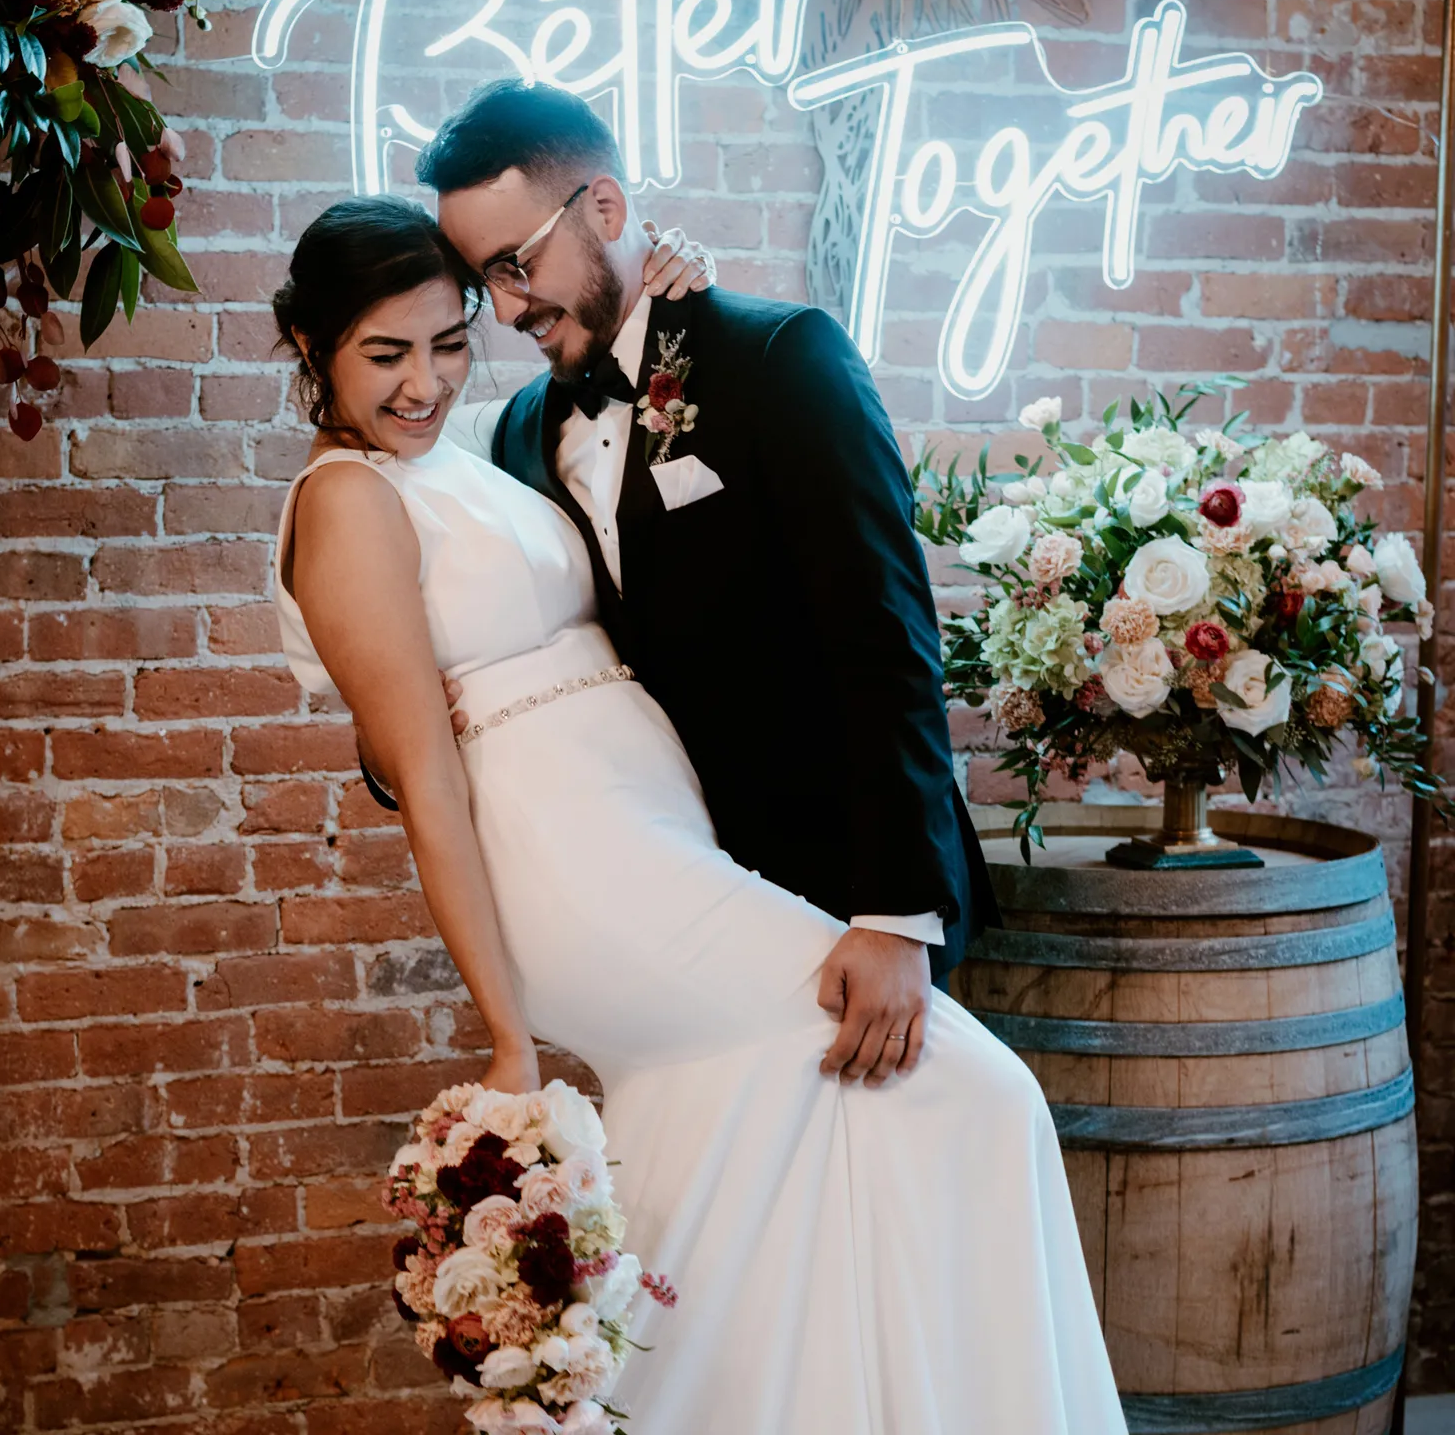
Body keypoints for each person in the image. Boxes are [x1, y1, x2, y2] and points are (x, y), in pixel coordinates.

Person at [270, 182, 1128, 1430]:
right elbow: (426, 782)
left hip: (663, 844)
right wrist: (507, 1038)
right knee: (972, 1092)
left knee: (766, 1150)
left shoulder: (488, 448)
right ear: (312, 348)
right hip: (587, 875)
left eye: (452, 339)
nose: (426, 380)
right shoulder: (347, 496)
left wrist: (669, 301)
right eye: (385, 354)